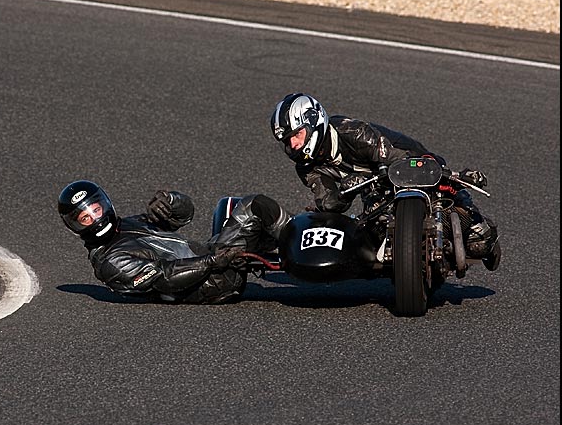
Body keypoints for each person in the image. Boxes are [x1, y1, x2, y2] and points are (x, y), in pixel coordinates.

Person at [269, 92, 501, 271]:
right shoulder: (307, 167)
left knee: (478, 241)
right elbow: (330, 204)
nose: (293, 146)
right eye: (287, 142)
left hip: (412, 163)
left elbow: (395, 159)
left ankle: (474, 215)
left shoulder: (352, 132)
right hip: (377, 190)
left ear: (313, 122)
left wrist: (452, 175)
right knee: (374, 231)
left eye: (296, 135)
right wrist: (348, 191)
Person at [58, 180, 290, 303]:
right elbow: (165, 277)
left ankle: (295, 243)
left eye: (96, 210)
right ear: (75, 227)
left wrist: (171, 202)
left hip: (210, 257)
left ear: (105, 204)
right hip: (211, 283)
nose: (96, 219)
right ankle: (299, 241)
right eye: (85, 218)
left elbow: (184, 215)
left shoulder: (128, 225)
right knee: (253, 205)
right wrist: (212, 261)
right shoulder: (110, 262)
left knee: (227, 205)